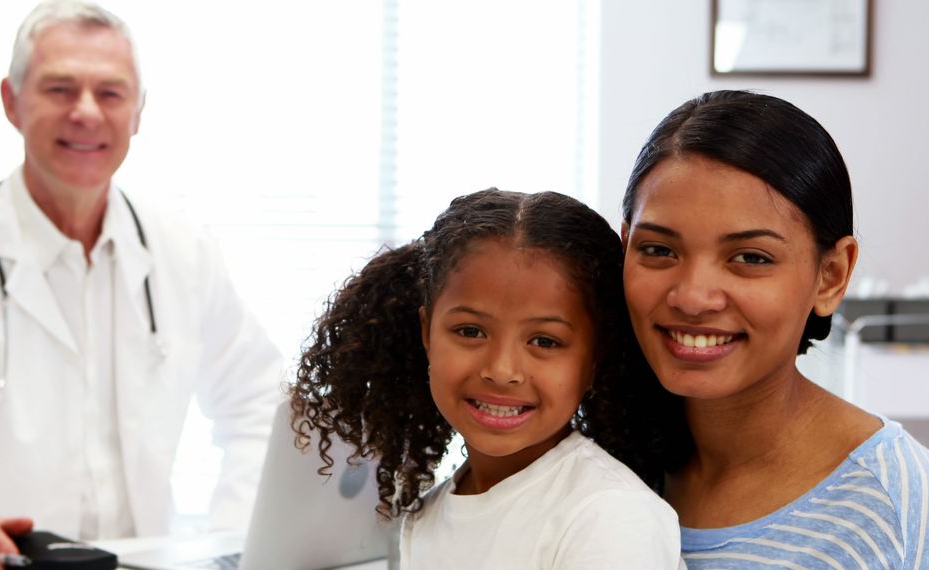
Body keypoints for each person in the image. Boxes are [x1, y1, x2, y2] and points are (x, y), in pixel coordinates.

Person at [0, 1, 284, 567]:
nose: (86, 113)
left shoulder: (183, 255)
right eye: (60, 89)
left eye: (111, 93)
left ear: (139, 111)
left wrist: (235, 540)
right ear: (11, 102)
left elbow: (261, 405)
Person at [621, 90, 929, 568]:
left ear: (832, 274)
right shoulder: (595, 453)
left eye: (750, 258)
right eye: (658, 250)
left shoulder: (895, 499)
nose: (693, 297)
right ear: (624, 244)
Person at [291, 189, 684, 568]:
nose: (501, 370)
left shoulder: (608, 515)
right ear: (427, 333)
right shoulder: (423, 518)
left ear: (595, 358)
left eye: (545, 341)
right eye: (470, 331)